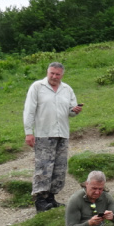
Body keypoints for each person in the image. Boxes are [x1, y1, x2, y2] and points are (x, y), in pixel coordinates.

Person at [23, 62, 82, 212]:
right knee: (43, 166)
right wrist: (29, 132)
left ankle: (51, 197)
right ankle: (40, 200)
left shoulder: (67, 89)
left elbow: (71, 111)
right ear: (47, 72)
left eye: (57, 74)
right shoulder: (37, 87)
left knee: (59, 167)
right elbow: (29, 110)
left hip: (62, 133)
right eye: (52, 73)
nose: (54, 77)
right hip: (43, 133)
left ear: (62, 75)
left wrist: (75, 110)